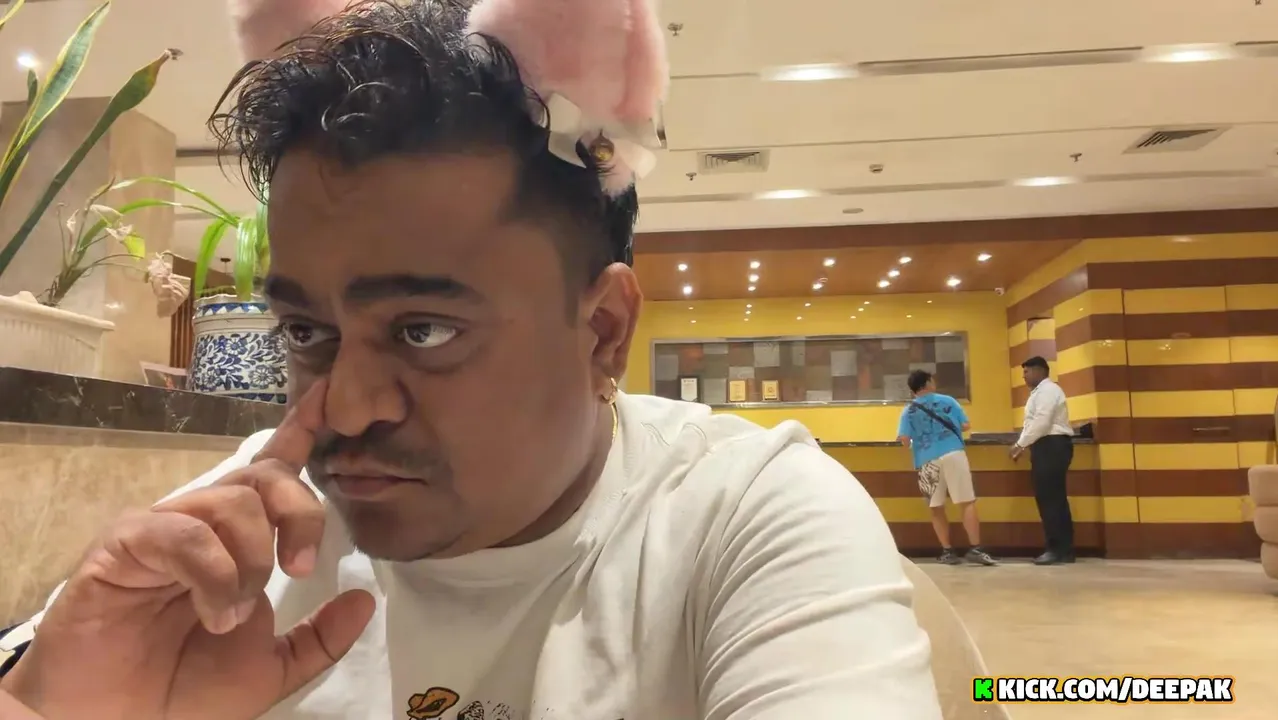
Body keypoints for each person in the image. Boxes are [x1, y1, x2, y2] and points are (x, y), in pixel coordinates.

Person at [0, 1, 950, 717]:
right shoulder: (246, 534)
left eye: (424, 330)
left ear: (604, 332)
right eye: (307, 333)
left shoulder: (743, 515)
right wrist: (58, 704)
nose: (346, 409)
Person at [897, 370, 997, 567]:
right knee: (966, 502)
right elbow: (966, 425)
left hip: (927, 460)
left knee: (936, 507)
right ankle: (976, 549)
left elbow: (904, 440)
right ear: (929, 382)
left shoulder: (908, 411)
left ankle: (948, 551)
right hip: (953, 453)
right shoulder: (948, 401)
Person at [1010, 356, 1075, 565]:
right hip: (1047, 446)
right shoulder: (1040, 392)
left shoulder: (1048, 391)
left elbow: (1042, 421)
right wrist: (1024, 443)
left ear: (1039, 371)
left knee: (1050, 499)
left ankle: (1056, 549)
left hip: (1052, 445)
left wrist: (1021, 444)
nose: (1024, 376)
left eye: (1026, 372)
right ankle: (1064, 549)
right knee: (1054, 498)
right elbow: (1033, 423)